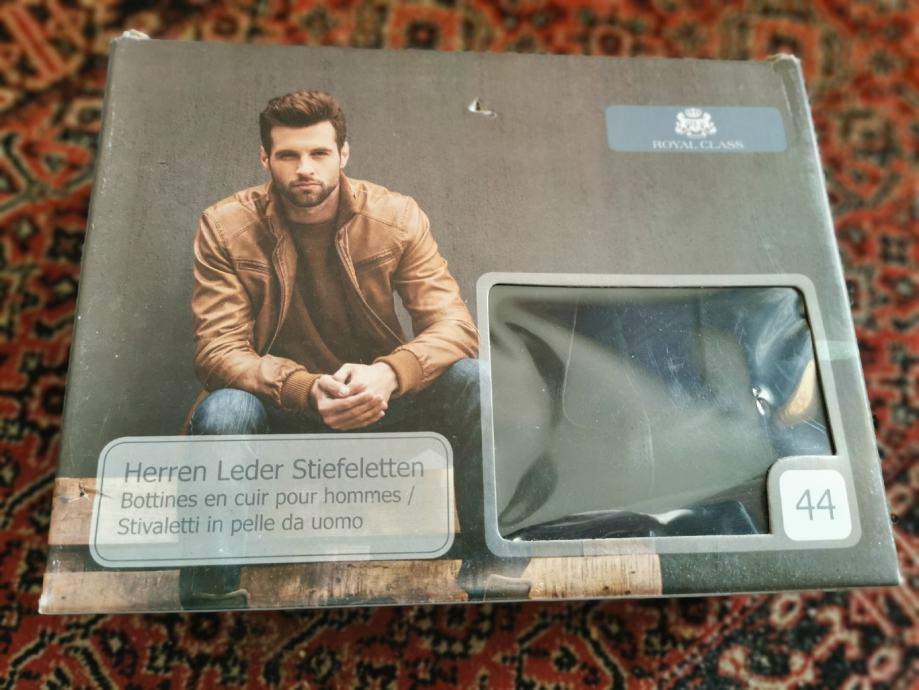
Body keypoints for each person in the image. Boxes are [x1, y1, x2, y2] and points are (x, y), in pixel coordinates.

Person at [183, 90, 485, 606]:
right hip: (283, 412)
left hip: (379, 405)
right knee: (225, 409)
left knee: (476, 380)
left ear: (343, 154)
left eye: (319, 153)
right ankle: (211, 601)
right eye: (288, 154)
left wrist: (389, 374)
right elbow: (217, 350)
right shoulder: (225, 226)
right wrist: (303, 388)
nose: (305, 168)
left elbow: (455, 327)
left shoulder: (395, 216)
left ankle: (492, 574)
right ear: (265, 158)